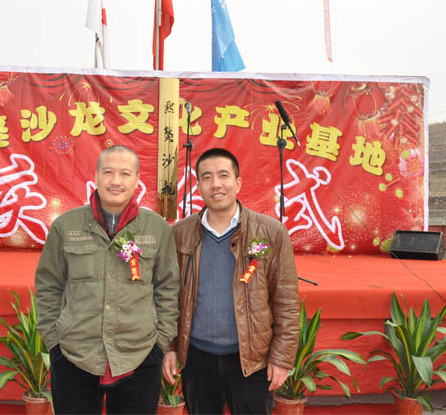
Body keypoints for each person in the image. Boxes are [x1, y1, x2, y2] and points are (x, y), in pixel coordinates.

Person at [35, 144, 179, 415]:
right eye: (108, 172)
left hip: (139, 353)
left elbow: (167, 289)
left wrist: (159, 343)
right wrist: (54, 342)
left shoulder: (157, 229)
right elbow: (48, 285)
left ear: (137, 180)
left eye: (125, 173)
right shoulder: (66, 226)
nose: (116, 181)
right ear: (96, 176)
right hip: (74, 353)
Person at [162, 148, 300, 415]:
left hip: (251, 361)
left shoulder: (271, 232)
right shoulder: (180, 233)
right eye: (206, 177)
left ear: (238, 183)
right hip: (197, 359)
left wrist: (282, 358)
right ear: (198, 186)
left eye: (223, 175)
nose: (215, 184)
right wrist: (169, 347)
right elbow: (168, 296)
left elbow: (286, 300)